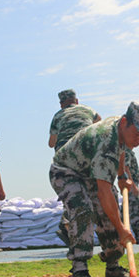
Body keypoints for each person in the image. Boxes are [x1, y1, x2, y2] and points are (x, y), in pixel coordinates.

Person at [50, 101, 139, 277]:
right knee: (83, 208)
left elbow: (122, 150)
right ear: (125, 122)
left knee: (109, 213)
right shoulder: (106, 141)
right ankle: (80, 267)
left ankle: (113, 265)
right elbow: (104, 191)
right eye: (138, 134)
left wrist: (122, 174)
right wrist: (123, 229)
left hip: (89, 171)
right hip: (66, 171)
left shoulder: (121, 130)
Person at [48, 89, 102, 244]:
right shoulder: (88, 110)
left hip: (63, 160)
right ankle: (69, 225)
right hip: (86, 155)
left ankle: (67, 224)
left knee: (73, 193)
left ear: (61, 104)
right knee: (90, 193)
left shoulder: (58, 116)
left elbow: (51, 142)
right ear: (76, 100)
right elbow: (100, 124)